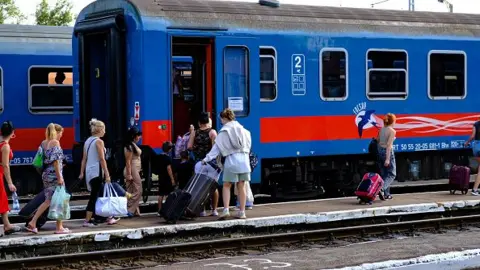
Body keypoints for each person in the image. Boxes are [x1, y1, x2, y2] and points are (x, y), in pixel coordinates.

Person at [202, 109, 252, 219]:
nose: (221, 122)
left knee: (226, 185)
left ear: (224, 118)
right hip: (244, 161)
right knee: (241, 186)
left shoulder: (224, 131)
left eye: (221, 120)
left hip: (232, 160)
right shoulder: (244, 130)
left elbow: (216, 149)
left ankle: (226, 210)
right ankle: (242, 212)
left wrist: (205, 159)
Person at [26, 123, 70, 234]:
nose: (61, 136)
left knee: (49, 200)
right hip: (54, 175)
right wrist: (59, 177)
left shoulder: (43, 143)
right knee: (60, 199)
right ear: (57, 132)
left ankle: (33, 222)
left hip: (46, 174)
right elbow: (55, 161)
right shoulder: (55, 142)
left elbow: (42, 159)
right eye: (61, 133)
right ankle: (58, 228)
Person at [79, 119, 119, 227]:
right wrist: (107, 174)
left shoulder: (87, 141)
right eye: (104, 129)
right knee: (95, 196)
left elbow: (84, 159)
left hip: (89, 172)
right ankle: (87, 221)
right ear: (100, 130)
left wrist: (82, 173)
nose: (105, 132)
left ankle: (108, 217)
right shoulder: (99, 142)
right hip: (97, 172)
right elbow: (102, 159)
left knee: (101, 194)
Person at [188, 113, 219, 216]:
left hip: (199, 163)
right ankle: (214, 210)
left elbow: (189, 147)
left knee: (200, 186)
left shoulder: (194, 132)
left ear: (199, 123)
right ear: (207, 121)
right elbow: (216, 147)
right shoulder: (212, 132)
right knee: (213, 186)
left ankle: (202, 210)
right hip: (211, 163)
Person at [0, 121, 20, 235]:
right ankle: (7, 225)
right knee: (1, 199)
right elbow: (6, 165)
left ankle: (7, 225)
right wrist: (10, 183)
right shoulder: (5, 146)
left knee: (2, 199)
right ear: (13, 133)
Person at [376, 113, 397, 200]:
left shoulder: (382, 129)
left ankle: (386, 194)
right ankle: (381, 188)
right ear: (393, 122)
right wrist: (388, 159)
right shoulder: (392, 131)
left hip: (380, 151)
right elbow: (388, 145)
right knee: (392, 174)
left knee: (385, 174)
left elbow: (378, 140)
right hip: (387, 152)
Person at [124, 127, 143, 217]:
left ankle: (135, 211)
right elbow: (128, 161)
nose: (139, 137)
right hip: (132, 169)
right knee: (139, 190)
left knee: (130, 191)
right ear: (133, 136)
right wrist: (129, 174)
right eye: (137, 135)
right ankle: (129, 209)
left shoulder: (132, 145)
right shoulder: (129, 147)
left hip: (134, 169)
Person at [157, 141, 176, 213]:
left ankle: (159, 209)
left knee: (161, 194)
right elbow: (169, 169)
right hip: (167, 178)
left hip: (161, 177)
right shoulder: (168, 158)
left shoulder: (159, 157)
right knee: (168, 194)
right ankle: (167, 209)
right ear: (169, 149)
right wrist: (172, 179)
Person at [465, 118, 480, 195]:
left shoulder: (476, 124)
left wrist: (467, 143)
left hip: (476, 147)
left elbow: (472, 136)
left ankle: (476, 189)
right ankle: (474, 190)